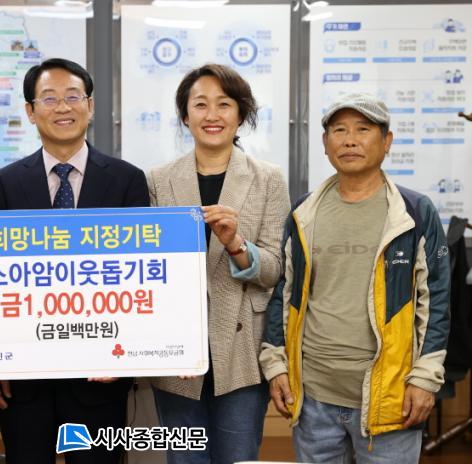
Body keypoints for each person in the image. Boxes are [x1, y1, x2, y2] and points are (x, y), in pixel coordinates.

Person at [260, 93, 450, 464]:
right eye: (339, 130)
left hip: (390, 397)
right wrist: (276, 365)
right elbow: (283, 292)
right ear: (325, 143)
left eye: (363, 129)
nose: (350, 140)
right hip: (313, 397)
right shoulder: (303, 212)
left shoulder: (413, 212)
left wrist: (425, 377)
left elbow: (437, 300)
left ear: (387, 141)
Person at [0, 58, 149, 464]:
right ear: (30, 111)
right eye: (49, 98)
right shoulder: (6, 183)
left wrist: (125, 353)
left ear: (90, 106)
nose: (62, 107)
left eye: (73, 97)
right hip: (24, 377)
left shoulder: (127, 180)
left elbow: (141, 276)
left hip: (101, 372)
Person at [146, 63, 290, 464]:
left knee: (238, 457)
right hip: (176, 353)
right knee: (184, 459)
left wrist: (236, 244)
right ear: (184, 115)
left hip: (242, 350)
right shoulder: (158, 180)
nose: (212, 115)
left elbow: (275, 270)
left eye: (224, 104)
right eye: (200, 104)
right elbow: (151, 272)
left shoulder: (268, 179)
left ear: (240, 114)